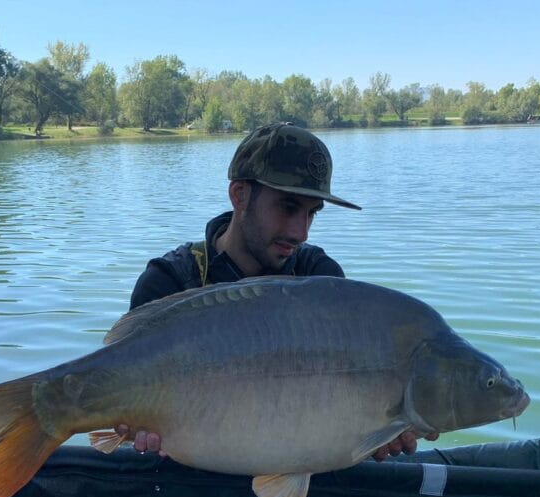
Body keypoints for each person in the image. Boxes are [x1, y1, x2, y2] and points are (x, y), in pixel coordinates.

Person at [119, 122, 437, 459]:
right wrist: (131, 430)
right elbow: (121, 406)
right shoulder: (168, 282)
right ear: (240, 195)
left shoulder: (321, 279)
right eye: (288, 207)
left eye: (311, 213)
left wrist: (376, 432)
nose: (301, 233)